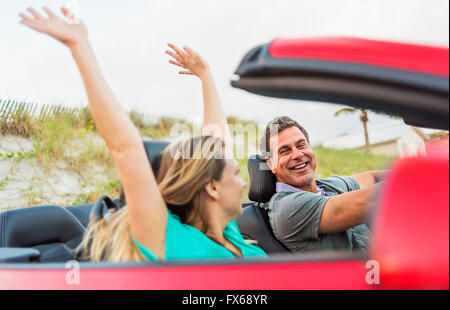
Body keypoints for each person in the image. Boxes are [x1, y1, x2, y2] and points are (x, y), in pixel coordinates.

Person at [19, 7, 267, 262]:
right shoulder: (170, 238)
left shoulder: (227, 231)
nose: (243, 183)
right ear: (213, 188)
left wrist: (205, 76)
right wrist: (79, 45)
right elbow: (126, 148)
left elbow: (218, 146)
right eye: (236, 174)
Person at [260, 116, 387, 254]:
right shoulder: (287, 207)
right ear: (270, 163)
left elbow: (372, 178)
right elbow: (369, 201)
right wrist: (409, 180)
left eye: (301, 145)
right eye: (284, 151)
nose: (297, 154)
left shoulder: (324, 186)